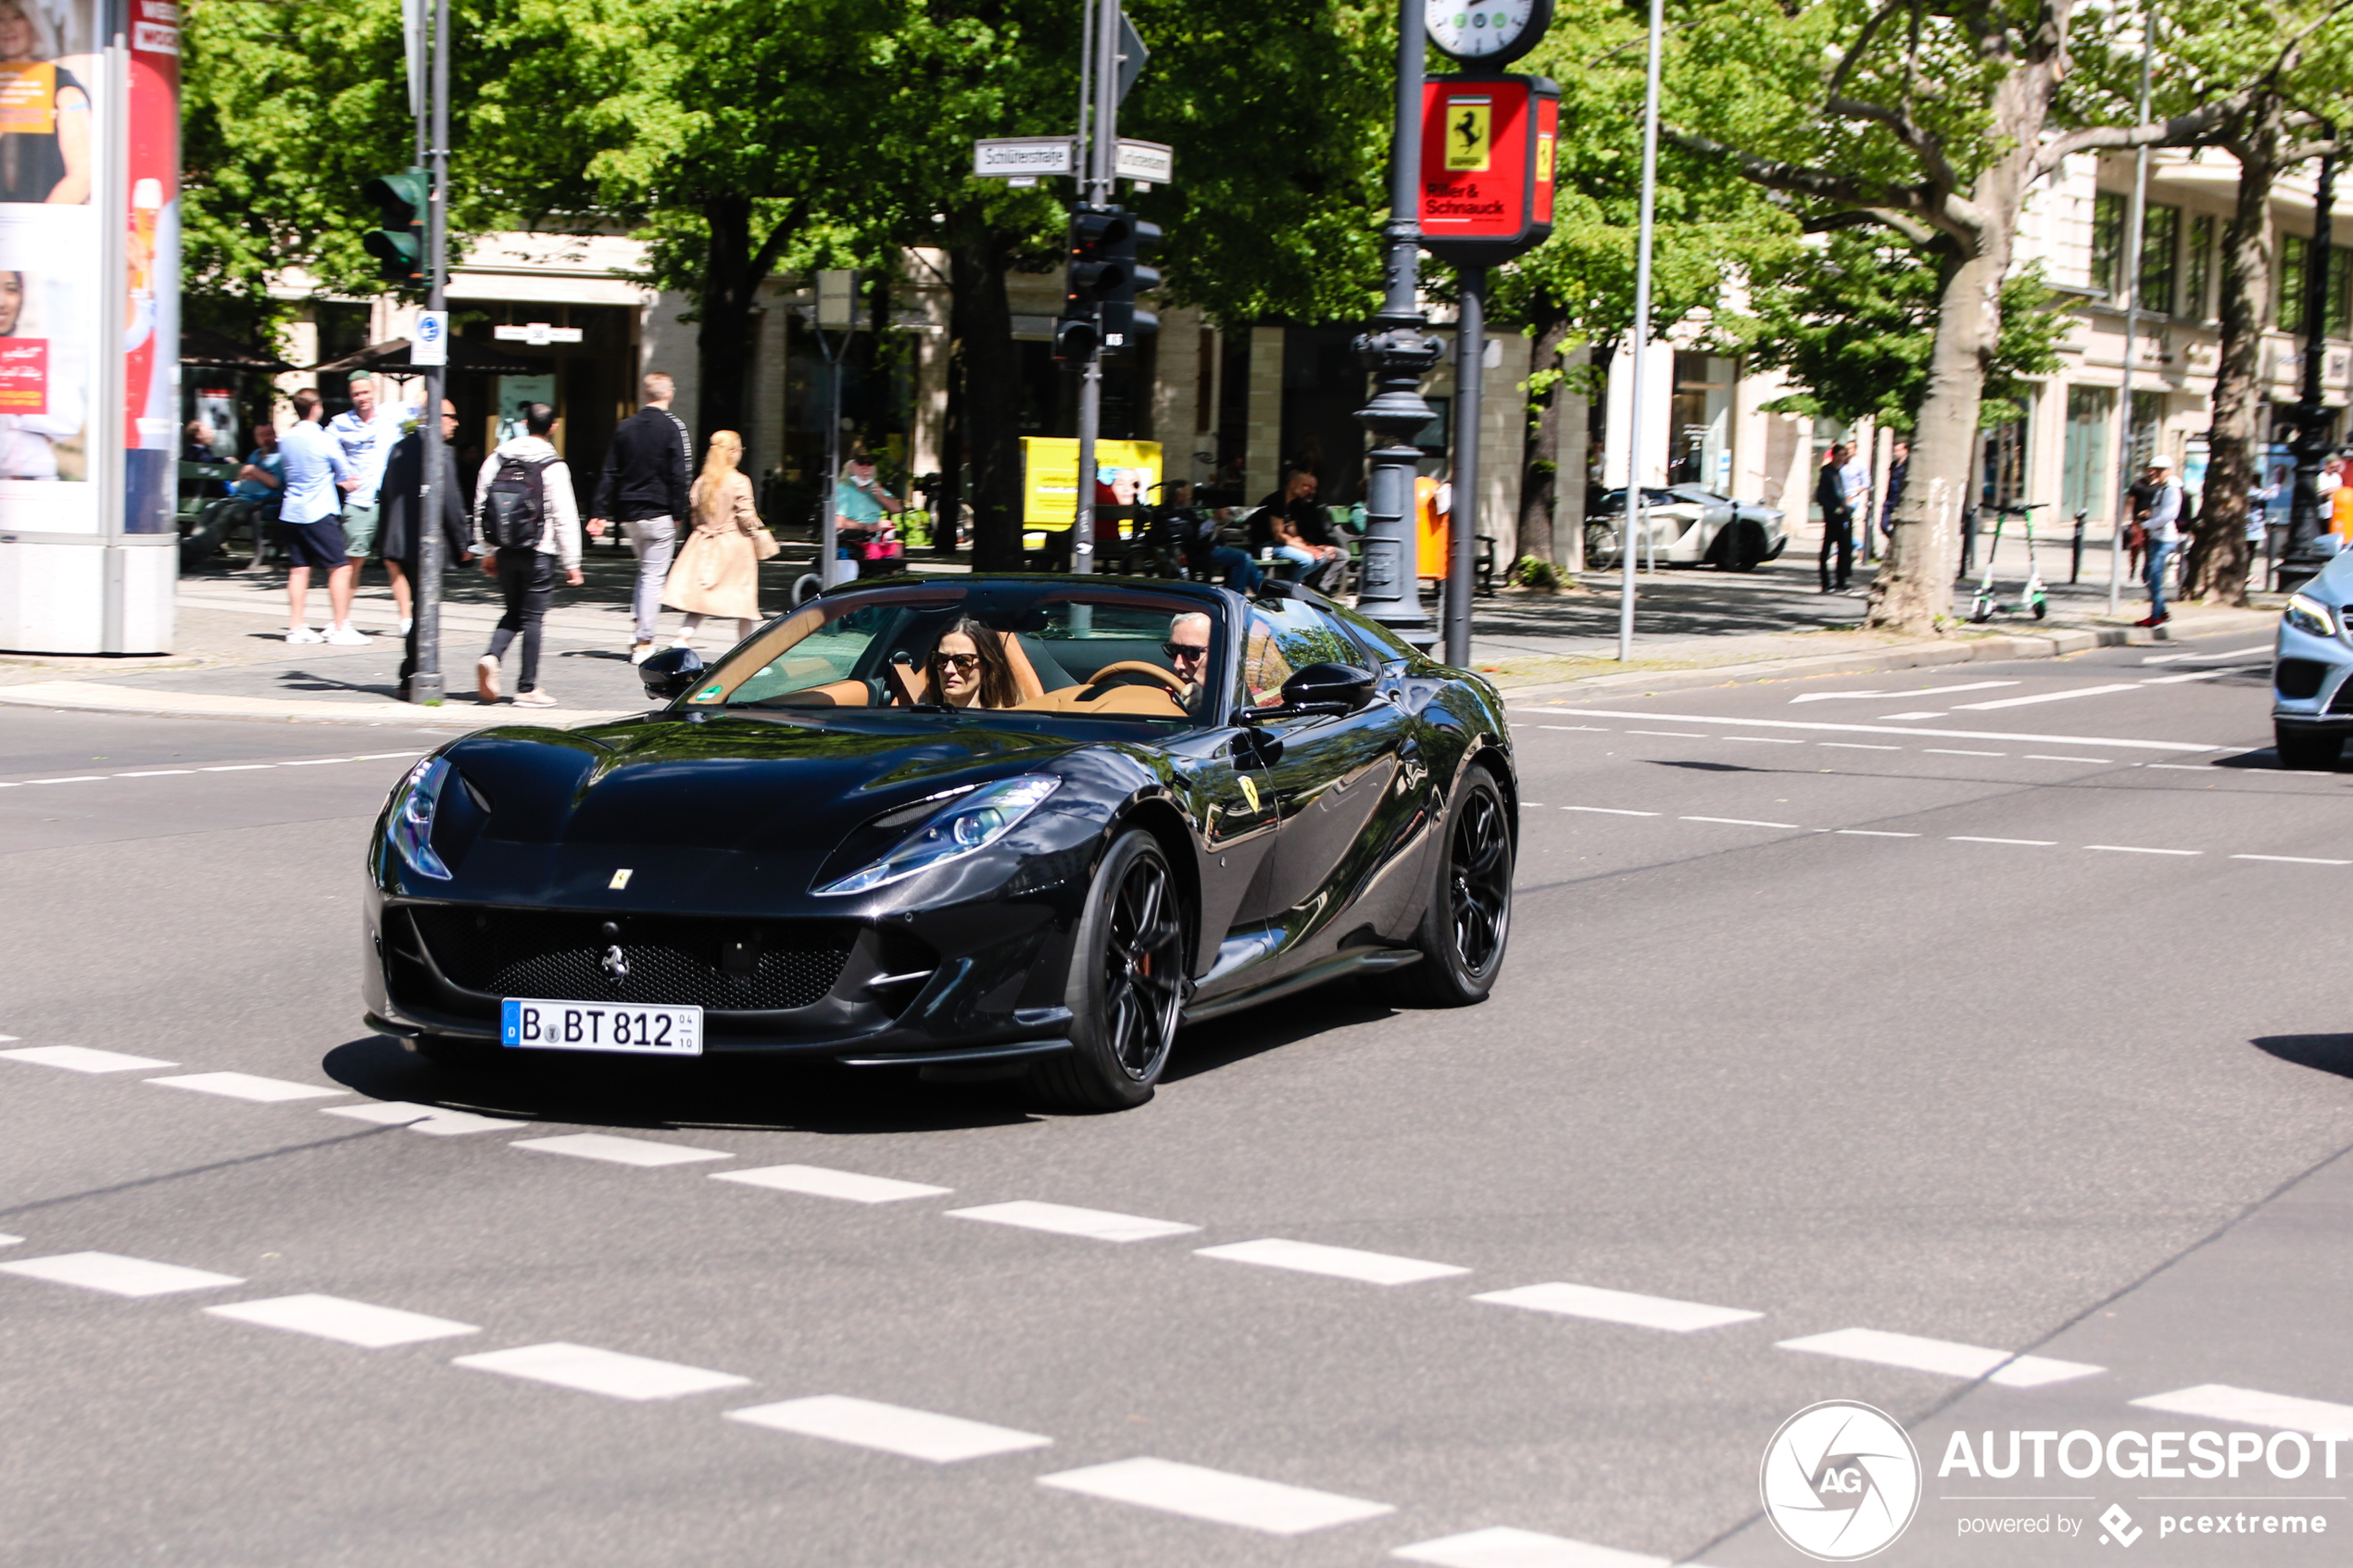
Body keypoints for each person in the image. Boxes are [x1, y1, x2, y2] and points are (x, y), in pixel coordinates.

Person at [472, 402, 583, 707]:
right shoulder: (554, 465)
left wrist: (487, 549)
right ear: (552, 427)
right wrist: (572, 562)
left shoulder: (498, 458)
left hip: (506, 549)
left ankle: (492, 656)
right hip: (540, 551)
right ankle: (527, 687)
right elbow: (564, 515)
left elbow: (482, 504)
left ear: (524, 423)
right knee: (533, 618)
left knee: (513, 611)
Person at [588, 372, 693, 663]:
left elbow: (610, 472)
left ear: (645, 394)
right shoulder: (674, 427)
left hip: (630, 513)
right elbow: (680, 473)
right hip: (660, 512)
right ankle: (644, 643)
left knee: (646, 572)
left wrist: (599, 512)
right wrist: (678, 512)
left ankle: (638, 632)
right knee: (653, 577)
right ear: (668, 393)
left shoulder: (625, 428)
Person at [664, 429, 768, 651]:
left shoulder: (702, 481)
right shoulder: (740, 481)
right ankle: (744, 650)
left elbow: (694, 514)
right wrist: (760, 532)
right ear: (732, 452)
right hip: (734, 544)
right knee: (744, 600)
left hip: (703, 542)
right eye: (739, 449)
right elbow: (746, 515)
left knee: (701, 597)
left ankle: (683, 636)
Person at [328, 373, 414, 633]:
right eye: (356, 394)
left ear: (373, 390)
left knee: (394, 561)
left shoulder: (392, 413)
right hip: (359, 500)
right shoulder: (340, 423)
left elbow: (426, 402)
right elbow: (320, 450)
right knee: (353, 561)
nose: (361, 398)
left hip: (390, 499)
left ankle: (406, 620)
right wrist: (339, 478)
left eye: (365, 392)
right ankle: (341, 621)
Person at [278, 388, 362, 644]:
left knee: (299, 569)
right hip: (319, 509)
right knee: (340, 567)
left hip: (292, 510)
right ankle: (339, 627)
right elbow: (344, 473)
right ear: (316, 407)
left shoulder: (286, 439)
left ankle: (296, 627)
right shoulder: (325, 439)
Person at [0, 0, 90, 205]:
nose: (7, 27)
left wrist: (39, 227)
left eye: (17, 17)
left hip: (43, 223)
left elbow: (82, 175)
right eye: (0, 20)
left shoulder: (64, 88)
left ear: (34, 24)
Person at [1168, 481, 1261, 591]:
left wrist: (1216, 528)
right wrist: (1214, 519)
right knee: (1244, 557)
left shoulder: (1185, 512)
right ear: (1179, 496)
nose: (1190, 497)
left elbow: (1196, 531)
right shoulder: (1176, 514)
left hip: (1204, 547)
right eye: (1187, 494)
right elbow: (1193, 533)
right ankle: (1242, 593)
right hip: (1199, 550)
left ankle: (1262, 590)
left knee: (1246, 558)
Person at [927, 619, 1019, 709]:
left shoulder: (1007, 721)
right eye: (942, 660)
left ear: (986, 665)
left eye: (962, 662)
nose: (948, 669)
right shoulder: (921, 720)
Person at [2136, 454, 2183, 628]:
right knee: (2148, 575)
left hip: (2165, 538)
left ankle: (2156, 616)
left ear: (2169, 471)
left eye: (2159, 470)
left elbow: (2168, 515)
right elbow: (2160, 511)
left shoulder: (2171, 489)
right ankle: (2162, 610)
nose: (2154, 473)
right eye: (2153, 470)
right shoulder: (2163, 488)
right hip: (2157, 537)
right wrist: (2148, 514)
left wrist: (2146, 524)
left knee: (2155, 576)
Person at [836, 453, 904, 560]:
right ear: (850, 467)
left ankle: (890, 576)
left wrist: (882, 497)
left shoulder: (874, 487)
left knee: (897, 550)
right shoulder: (842, 489)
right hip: (851, 538)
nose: (866, 467)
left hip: (875, 540)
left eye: (869, 464)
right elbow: (838, 522)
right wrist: (869, 527)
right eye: (861, 463)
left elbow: (897, 508)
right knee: (872, 551)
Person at [1816, 442, 1854, 593]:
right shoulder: (1827, 473)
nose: (1842, 458)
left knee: (1845, 550)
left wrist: (1846, 507)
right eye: (1840, 455)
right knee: (1827, 550)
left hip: (1844, 516)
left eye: (1845, 455)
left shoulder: (1839, 472)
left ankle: (1841, 581)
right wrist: (1836, 508)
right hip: (1833, 517)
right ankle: (1826, 582)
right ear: (1834, 455)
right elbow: (1820, 496)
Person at [1165, 610, 1213, 714]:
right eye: (1172, 649)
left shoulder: (1247, 696)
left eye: (1192, 652)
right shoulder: (1163, 695)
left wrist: (1209, 705)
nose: (1178, 665)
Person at [233, 422, 283, 504]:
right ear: (256, 438)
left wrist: (253, 470)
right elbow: (242, 476)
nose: (266, 438)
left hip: (263, 503)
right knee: (213, 509)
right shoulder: (254, 455)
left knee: (229, 514)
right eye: (261, 435)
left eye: (269, 434)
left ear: (275, 434)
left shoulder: (280, 456)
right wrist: (262, 476)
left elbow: (275, 483)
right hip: (241, 497)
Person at [1881, 438, 1908, 543]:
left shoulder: (1908, 465)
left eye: (1899, 450)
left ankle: (1896, 543)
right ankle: (1894, 540)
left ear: (1905, 450)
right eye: (1895, 450)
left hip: (1899, 498)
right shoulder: (1893, 465)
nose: (1896, 453)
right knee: (1883, 525)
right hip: (1890, 498)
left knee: (1897, 524)